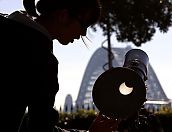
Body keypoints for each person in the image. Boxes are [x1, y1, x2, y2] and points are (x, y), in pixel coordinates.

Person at [0, 0, 103, 132]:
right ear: (63, 16)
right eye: (84, 25)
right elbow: (40, 128)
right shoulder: (43, 60)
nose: (83, 34)